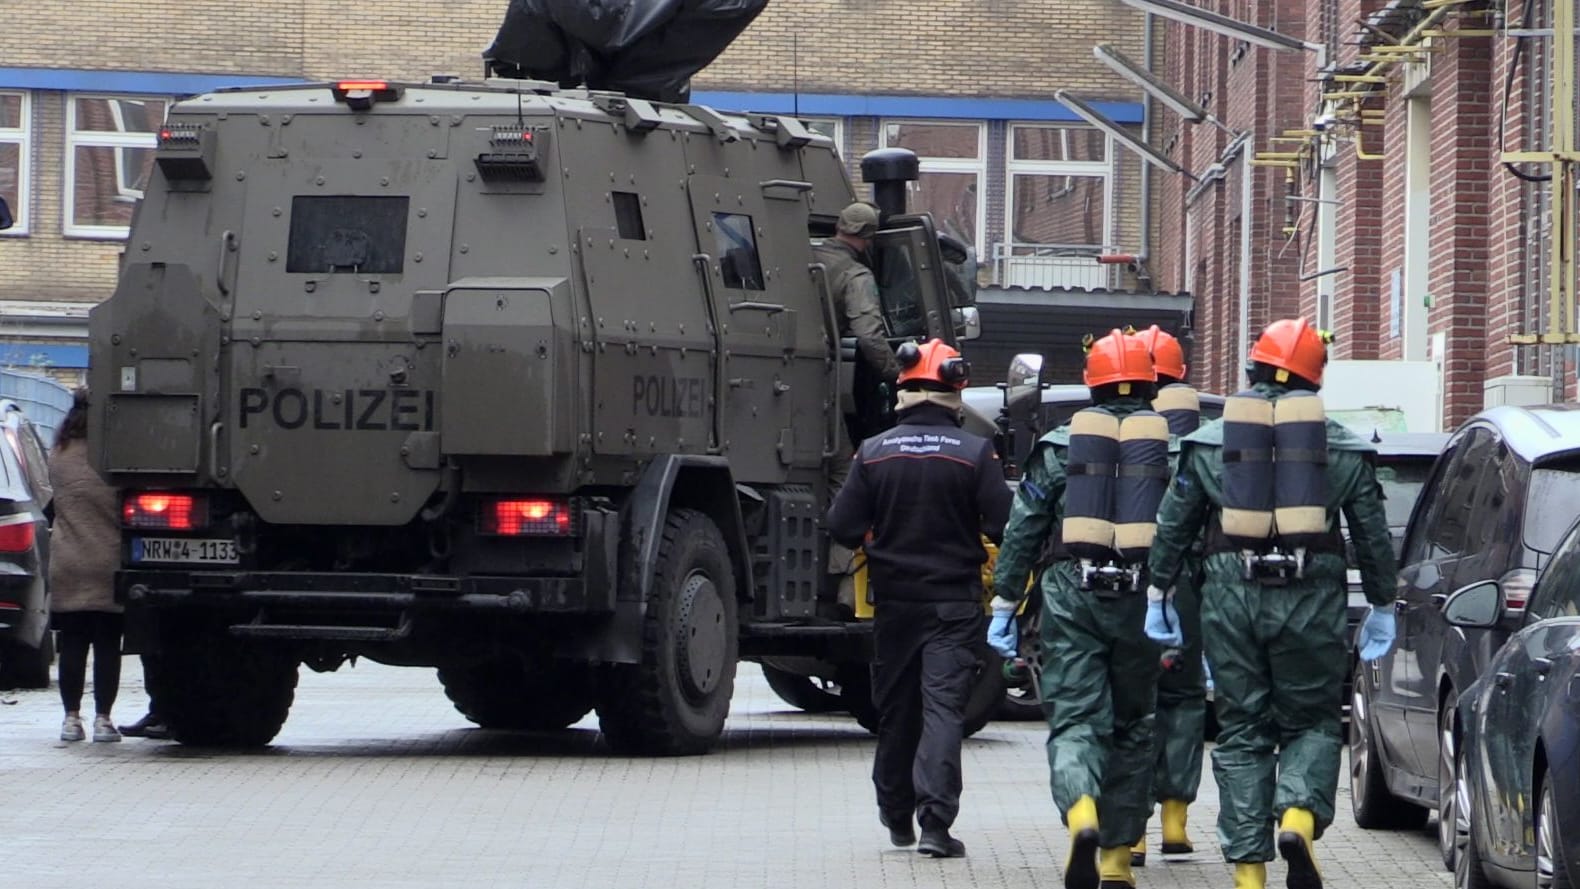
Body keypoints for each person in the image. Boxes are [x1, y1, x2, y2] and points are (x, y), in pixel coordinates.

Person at [1144, 319, 1397, 889]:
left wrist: (1159, 593)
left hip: (1230, 597)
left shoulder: (1210, 443)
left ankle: (1249, 873)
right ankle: (1299, 819)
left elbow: (1174, 528)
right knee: (1310, 722)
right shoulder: (1344, 447)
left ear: (1252, 368)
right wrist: (1383, 603)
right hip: (1313, 596)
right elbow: (1372, 537)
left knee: (1242, 728)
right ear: (1315, 378)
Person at [990, 330, 1167, 889]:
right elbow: (1191, 534)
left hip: (1073, 593)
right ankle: (1117, 860)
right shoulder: (1175, 446)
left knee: (1076, 721)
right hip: (1142, 598)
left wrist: (1004, 602)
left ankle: (1082, 813)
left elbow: (1023, 530)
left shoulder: (1059, 447)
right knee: (1134, 724)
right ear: (1149, 382)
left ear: (1093, 384)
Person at [827, 338, 1011, 859]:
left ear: (903, 389)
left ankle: (895, 815)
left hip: (895, 605)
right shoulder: (975, 453)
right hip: (953, 605)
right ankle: (935, 826)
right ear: (956, 389)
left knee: (898, 710)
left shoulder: (874, 451)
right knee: (943, 710)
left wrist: (876, 538)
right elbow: (1003, 524)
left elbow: (841, 526)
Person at [1131, 324, 1206, 866]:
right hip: (1189, 589)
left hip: (1130, 588)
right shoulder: (1206, 441)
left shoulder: (1118, 433)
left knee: (1133, 705)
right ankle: (1176, 823)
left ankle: (1130, 829)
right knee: (1182, 701)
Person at [47, 389, 124, 743]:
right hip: (108, 560)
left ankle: (70, 719)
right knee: (107, 643)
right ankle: (104, 720)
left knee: (73, 643)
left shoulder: (59, 456)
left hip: (67, 561)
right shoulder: (113, 456)